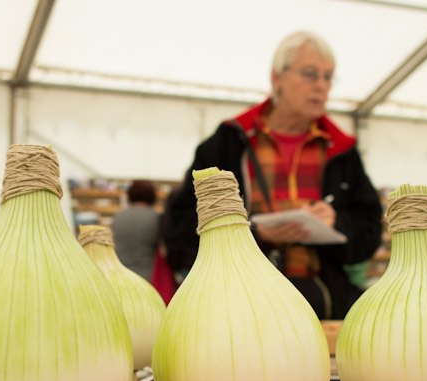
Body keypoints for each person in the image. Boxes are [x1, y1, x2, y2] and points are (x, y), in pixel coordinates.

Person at [163, 31, 382, 320]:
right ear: (277, 78)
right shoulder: (229, 141)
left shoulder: (343, 150)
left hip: (321, 304)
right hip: (239, 302)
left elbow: (370, 230)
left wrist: (337, 223)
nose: (321, 86)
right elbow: (182, 226)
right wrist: (254, 234)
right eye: (310, 74)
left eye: (328, 77)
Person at [110, 180, 160, 281]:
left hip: (121, 273)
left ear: (130, 195)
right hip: (148, 274)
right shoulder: (156, 217)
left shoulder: (118, 216)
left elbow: (114, 244)